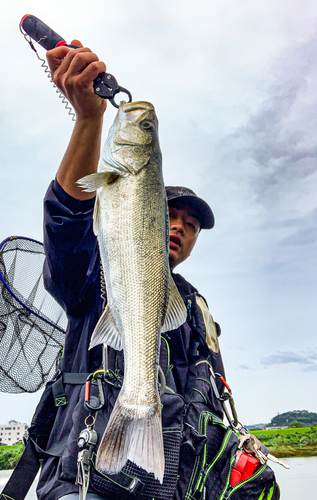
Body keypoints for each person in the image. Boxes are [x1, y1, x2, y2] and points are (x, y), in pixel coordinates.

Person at [23, 42, 278, 500]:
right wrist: (89, 119)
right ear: (147, 213)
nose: (180, 227)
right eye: (171, 214)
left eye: (193, 225)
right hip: (88, 483)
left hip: (175, 487)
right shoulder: (95, 275)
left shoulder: (194, 310)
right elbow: (66, 222)